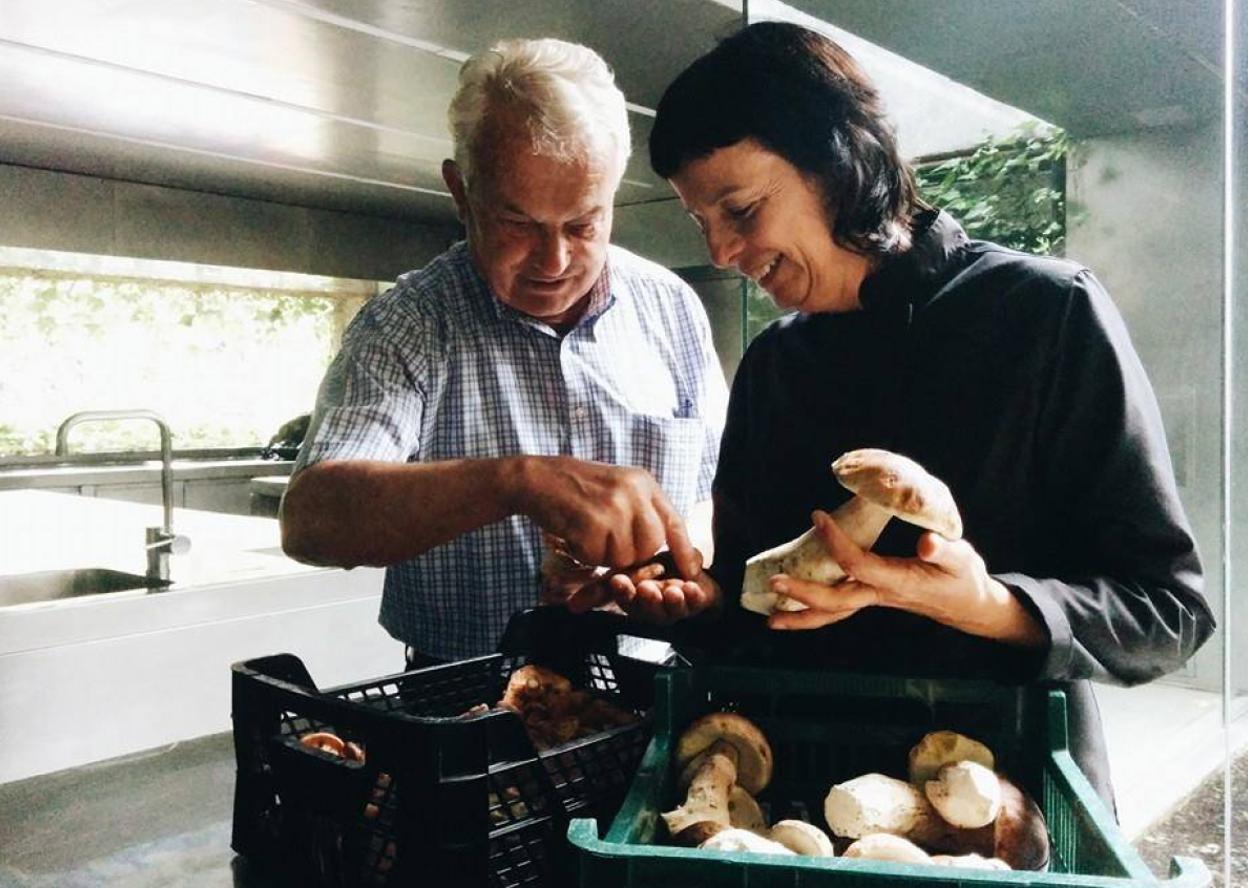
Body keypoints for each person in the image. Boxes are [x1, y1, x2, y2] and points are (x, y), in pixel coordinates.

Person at [571, 21, 1214, 811]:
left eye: (740, 211)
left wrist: (985, 605)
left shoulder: (1045, 314)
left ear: (838, 163)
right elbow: (754, 609)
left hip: (1006, 808)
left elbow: (1168, 611)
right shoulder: (775, 363)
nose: (724, 252)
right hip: (804, 806)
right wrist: (695, 600)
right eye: (704, 225)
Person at [281, 38, 728, 664]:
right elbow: (310, 521)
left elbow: (717, 491)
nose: (555, 260)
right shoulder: (409, 324)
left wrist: (688, 572)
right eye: (518, 224)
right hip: (464, 707)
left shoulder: (671, 307)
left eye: (583, 223)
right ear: (461, 193)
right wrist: (518, 481)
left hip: (653, 686)